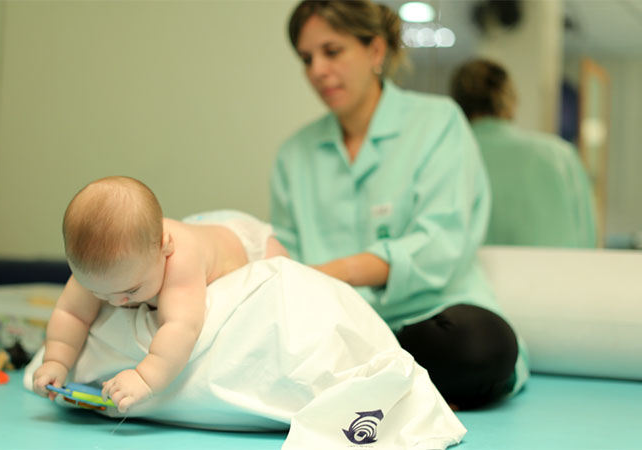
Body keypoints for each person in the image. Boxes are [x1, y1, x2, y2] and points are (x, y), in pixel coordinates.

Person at [270, 0, 528, 410]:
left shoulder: (438, 123)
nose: (317, 70)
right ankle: (390, 381)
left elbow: (441, 243)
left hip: (432, 316)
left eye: (332, 51)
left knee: (480, 345)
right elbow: (284, 253)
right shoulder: (294, 154)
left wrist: (336, 272)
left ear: (375, 51)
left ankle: (372, 377)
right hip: (336, 325)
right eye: (306, 58)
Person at [32, 176, 287, 412]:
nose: (116, 302)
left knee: (288, 282)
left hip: (246, 243)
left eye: (131, 291)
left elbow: (181, 326)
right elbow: (71, 313)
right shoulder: (100, 269)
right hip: (191, 226)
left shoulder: (180, 259)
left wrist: (144, 377)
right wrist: (56, 361)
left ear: (165, 249)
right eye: (99, 293)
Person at [450, 58, 597, 247]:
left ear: (457, 104)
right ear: (511, 102)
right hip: (553, 274)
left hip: (470, 275)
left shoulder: (447, 158)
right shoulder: (560, 156)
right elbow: (588, 241)